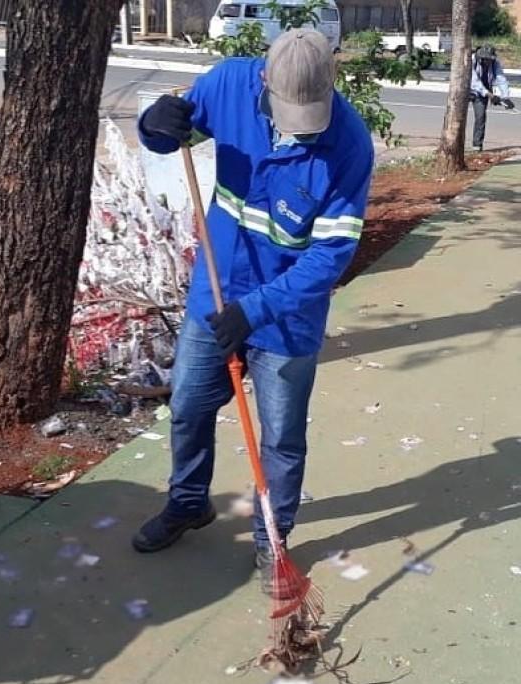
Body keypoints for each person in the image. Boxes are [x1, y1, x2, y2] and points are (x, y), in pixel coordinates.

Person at [131, 29, 374, 590]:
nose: (300, 128)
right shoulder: (227, 86)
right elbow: (173, 137)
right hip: (217, 289)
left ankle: (272, 538)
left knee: (282, 436)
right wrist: (154, 125)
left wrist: (256, 311)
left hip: (288, 314)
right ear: (263, 80)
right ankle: (188, 502)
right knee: (188, 405)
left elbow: (330, 256)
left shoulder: (350, 145)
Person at [470, 44, 515, 152]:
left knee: (480, 117)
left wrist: (505, 97)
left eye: (490, 59)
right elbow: (474, 82)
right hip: (467, 89)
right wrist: (491, 96)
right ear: (481, 58)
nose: (489, 62)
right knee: (458, 118)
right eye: (487, 60)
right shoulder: (471, 61)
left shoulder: (494, 63)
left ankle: (477, 145)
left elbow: (501, 79)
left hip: (483, 92)